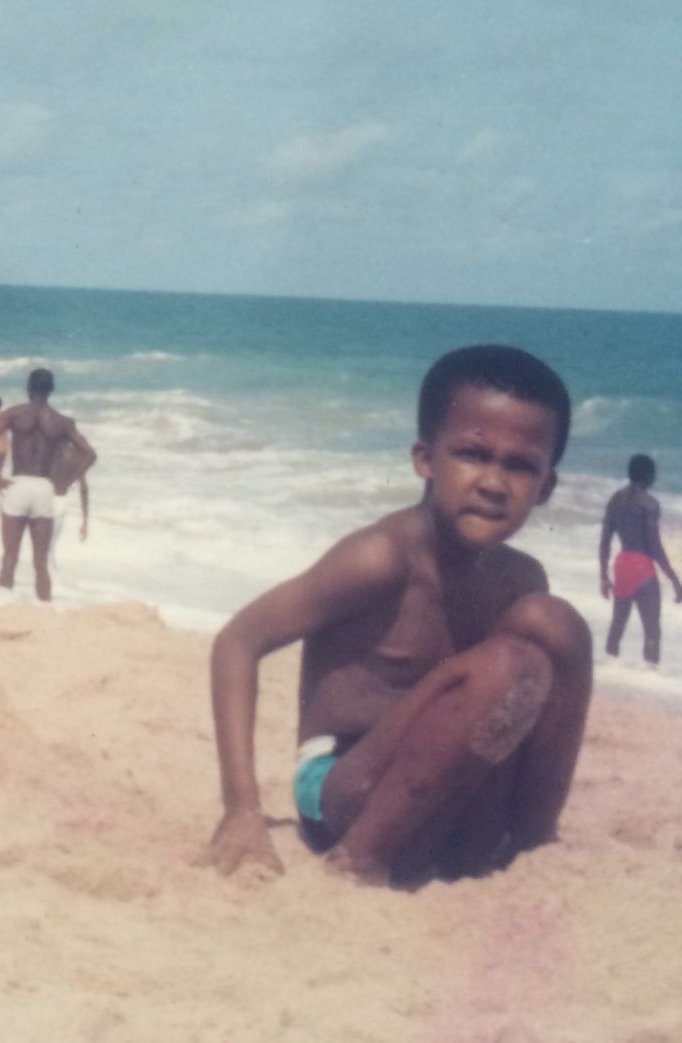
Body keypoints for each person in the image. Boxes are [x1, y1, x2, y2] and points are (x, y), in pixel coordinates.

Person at [206, 344, 592, 888]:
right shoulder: (383, 557)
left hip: (444, 795)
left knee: (557, 624)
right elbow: (239, 640)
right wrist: (241, 809)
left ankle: (533, 840)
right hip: (344, 788)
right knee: (504, 666)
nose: (493, 482)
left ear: (546, 486)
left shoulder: (522, 579)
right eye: (472, 454)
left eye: (520, 466)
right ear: (425, 459)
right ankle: (359, 860)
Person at [0, 368, 97, 602]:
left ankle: (0, 607)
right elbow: (89, 454)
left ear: (28, 388)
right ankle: (46, 610)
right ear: (51, 390)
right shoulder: (61, 422)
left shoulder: (14, 414)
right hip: (44, 488)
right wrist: (66, 482)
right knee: (41, 563)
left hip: (17, 485)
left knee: (9, 559)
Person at [599, 454, 682, 664]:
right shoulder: (650, 504)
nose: (654, 477)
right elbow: (654, 546)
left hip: (622, 566)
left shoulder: (615, 500)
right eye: (653, 473)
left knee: (617, 626)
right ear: (646, 475)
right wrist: (674, 579)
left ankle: (608, 669)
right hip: (641, 566)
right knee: (652, 631)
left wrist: (604, 576)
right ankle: (651, 675)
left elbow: (605, 541)